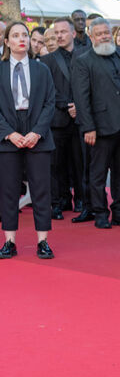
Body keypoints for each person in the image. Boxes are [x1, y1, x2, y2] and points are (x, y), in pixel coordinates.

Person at [72, 17, 120, 229]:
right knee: (98, 174)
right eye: (99, 33)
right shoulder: (83, 61)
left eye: (106, 32)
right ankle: (100, 213)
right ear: (91, 36)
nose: (104, 36)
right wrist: (88, 127)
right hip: (100, 128)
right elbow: (81, 98)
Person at [0, 22, 56, 259]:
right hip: (7, 133)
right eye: (15, 35)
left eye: (25, 34)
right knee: (8, 190)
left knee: (41, 189)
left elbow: (50, 102)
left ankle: (42, 241)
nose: (21, 39)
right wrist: (9, 133)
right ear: (7, 42)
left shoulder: (41, 69)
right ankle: (9, 241)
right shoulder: (0, 69)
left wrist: (37, 132)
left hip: (37, 131)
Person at [41, 17, 84, 219]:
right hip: (58, 120)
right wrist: (68, 105)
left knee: (80, 162)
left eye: (63, 32)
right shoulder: (47, 60)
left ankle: (82, 200)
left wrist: (79, 106)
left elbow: (89, 85)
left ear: (73, 33)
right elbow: (47, 90)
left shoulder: (86, 56)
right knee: (56, 164)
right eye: (56, 32)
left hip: (81, 119)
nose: (59, 36)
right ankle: (59, 202)